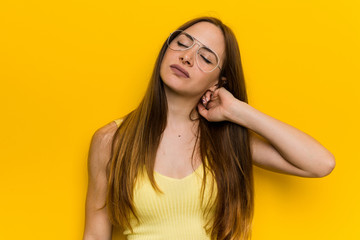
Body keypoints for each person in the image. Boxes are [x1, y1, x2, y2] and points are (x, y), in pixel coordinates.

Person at [82, 16, 335, 240]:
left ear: (218, 81)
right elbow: (95, 234)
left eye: (205, 57)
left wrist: (238, 110)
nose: (187, 57)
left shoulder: (225, 142)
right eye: (182, 43)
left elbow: (320, 163)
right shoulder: (112, 140)